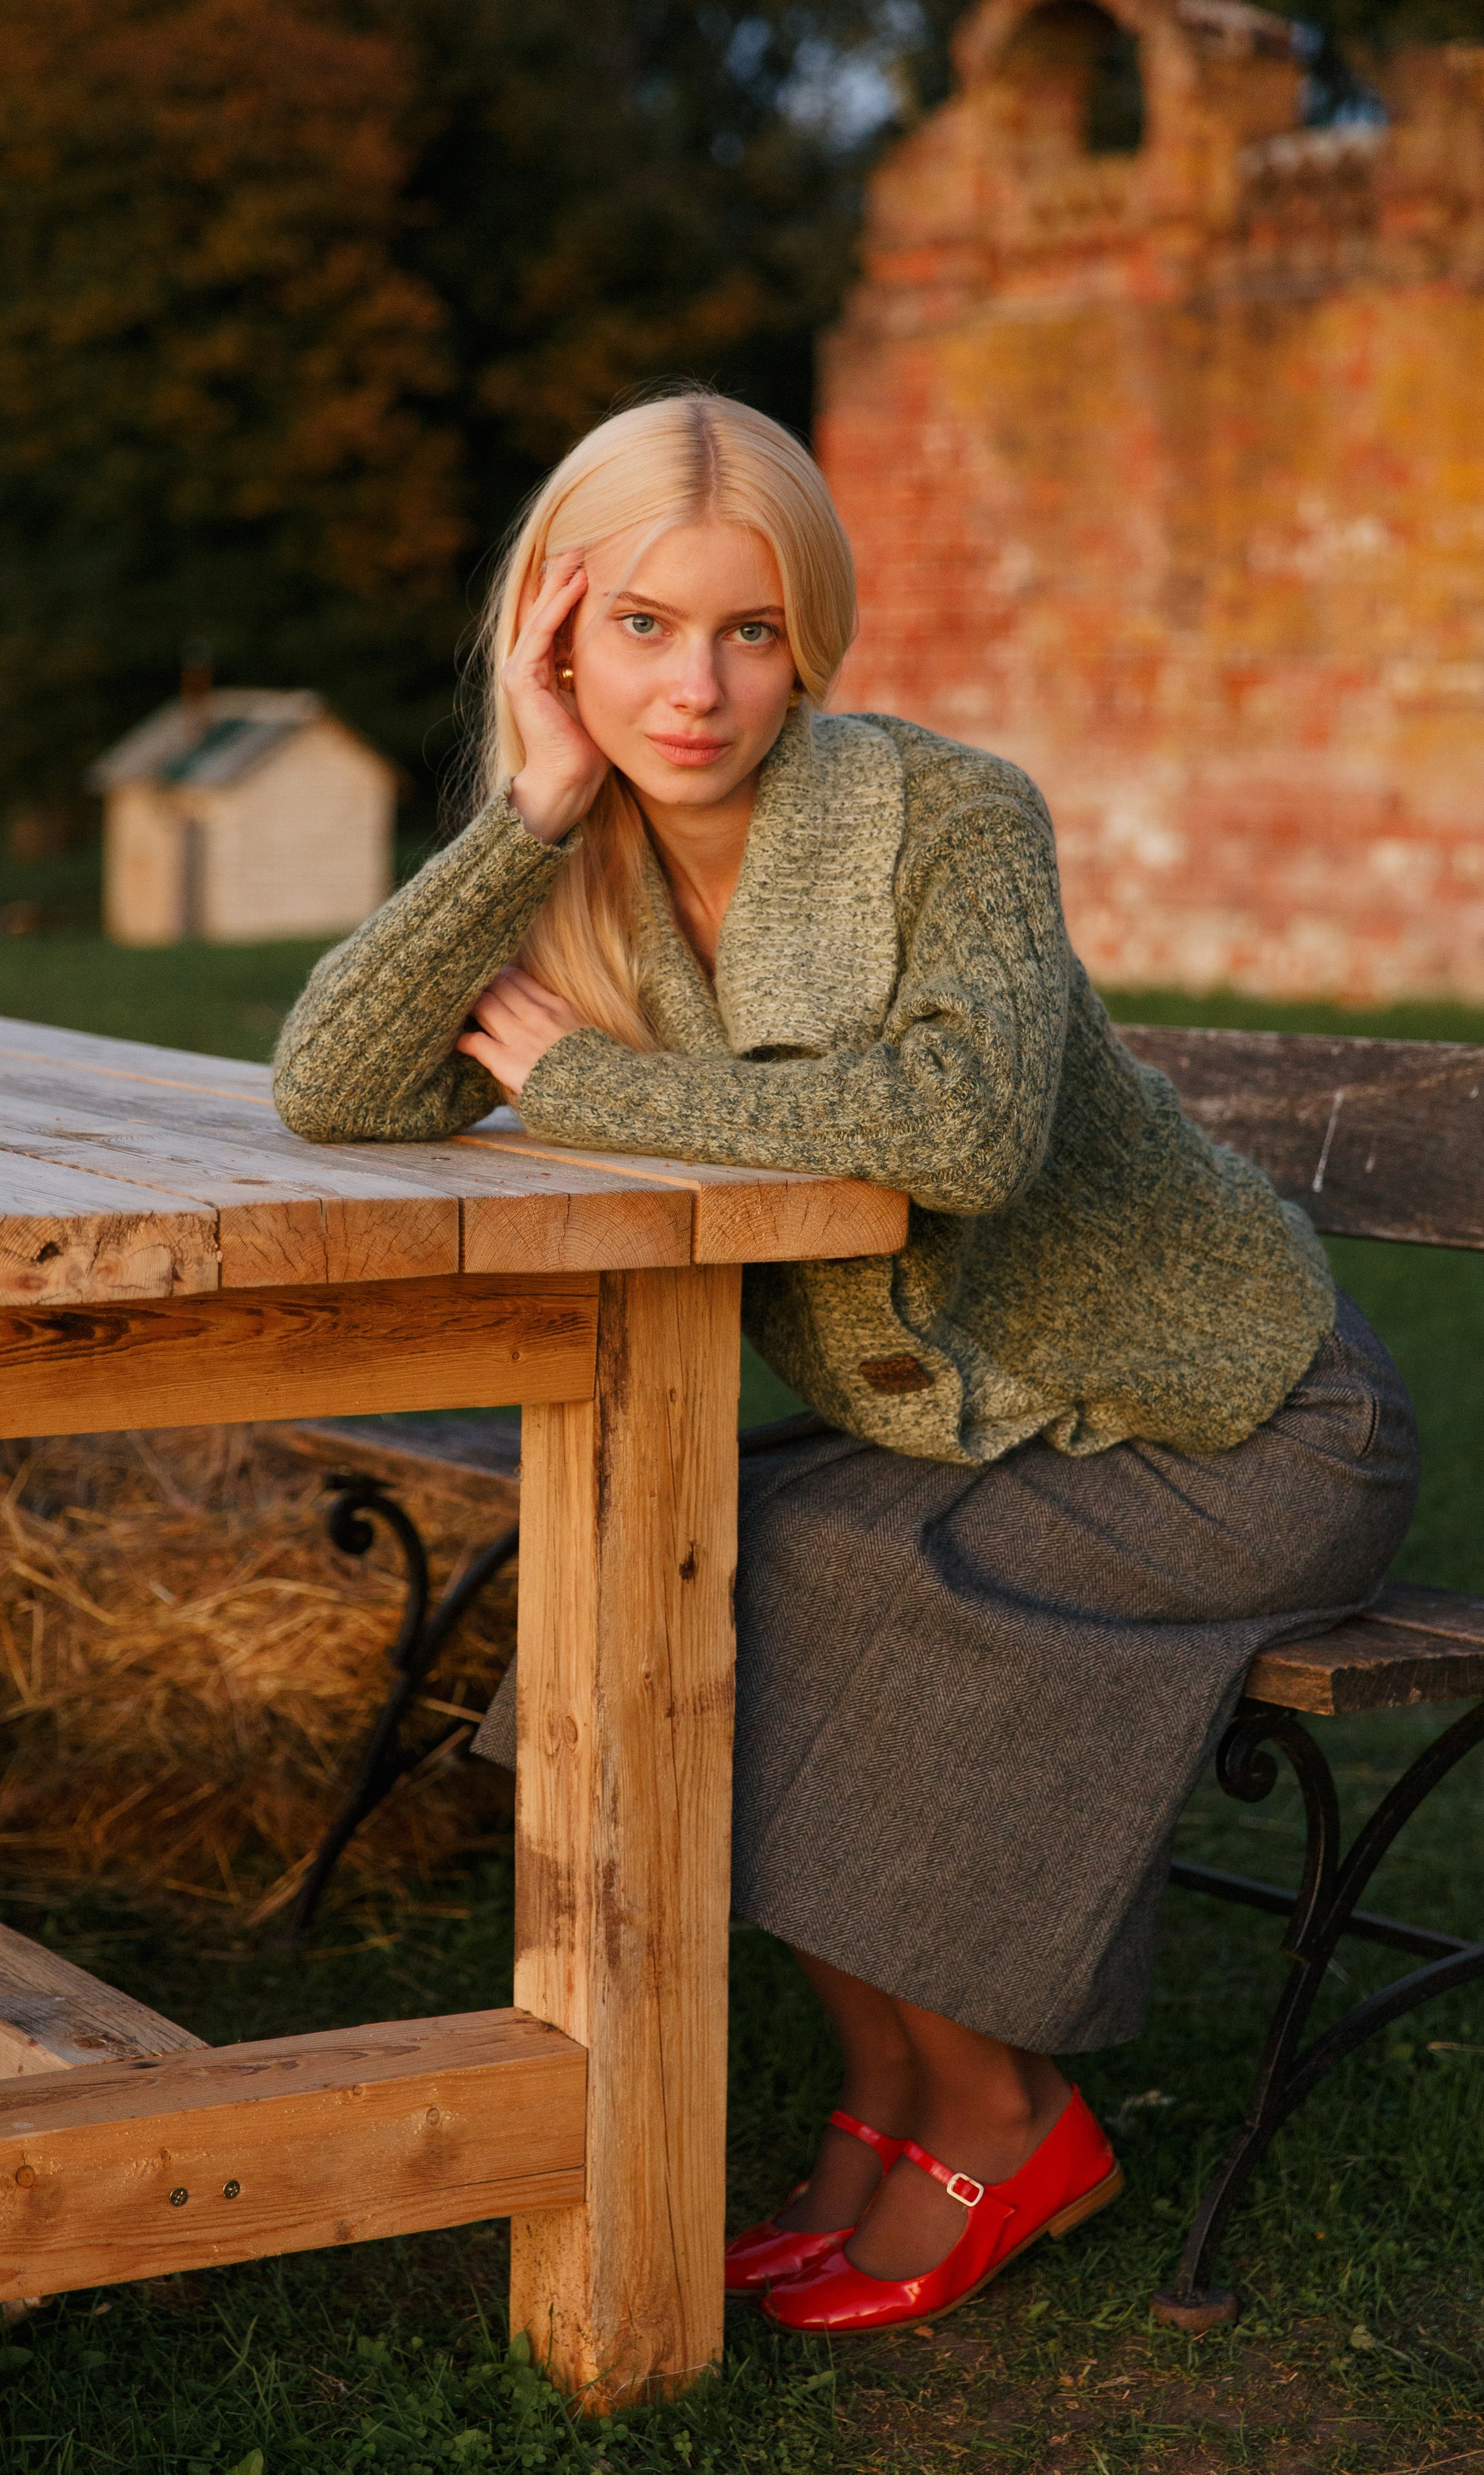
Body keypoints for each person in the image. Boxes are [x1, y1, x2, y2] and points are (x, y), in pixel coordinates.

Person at [273, 391, 1420, 2335]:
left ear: (812, 632)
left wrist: (585, 1078)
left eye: (747, 629)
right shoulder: (579, 861)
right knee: (688, 1553)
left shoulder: (944, 816)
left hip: (1248, 1426)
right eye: (640, 626)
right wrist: (533, 804)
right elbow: (338, 1085)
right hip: (994, 1433)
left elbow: (961, 1127)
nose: (697, 689)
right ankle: (890, 2101)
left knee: (819, 1570)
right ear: (556, 630)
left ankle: (997, 2107)